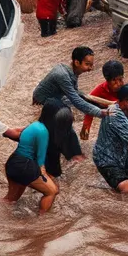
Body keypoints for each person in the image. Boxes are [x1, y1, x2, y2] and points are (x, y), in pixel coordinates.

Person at [31, 47, 107, 177]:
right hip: (45, 103)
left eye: (91, 64)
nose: (90, 68)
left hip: (55, 100)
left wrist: (98, 104)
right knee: (61, 127)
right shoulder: (62, 75)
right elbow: (76, 100)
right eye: (87, 64)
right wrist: (100, 113)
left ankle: (71, 154)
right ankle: (70, 156)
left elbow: (76, 94)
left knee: (61, 126)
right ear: (77, 62)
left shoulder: (71, 72)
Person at [4, 100, 66, 213]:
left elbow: (21, 138)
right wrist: (45, 177)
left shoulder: (34, 125)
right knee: (52, 192)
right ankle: (41, 220)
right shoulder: (43, 131)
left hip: (13, 163)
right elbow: (40, 159)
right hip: (25, 166)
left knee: (10, 199)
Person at [80, 58, 127, 141]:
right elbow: (89, 107)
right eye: (114, 81)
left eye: (120, 79)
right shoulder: (100, 90)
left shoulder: (125, 89)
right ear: (107, 80)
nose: (118, 84)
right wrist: (86, 127)